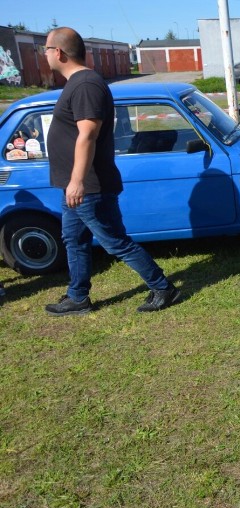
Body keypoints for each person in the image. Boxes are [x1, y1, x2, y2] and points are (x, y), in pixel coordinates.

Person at [42, 27, 180, 316]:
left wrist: (77, 181)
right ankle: (78, 297)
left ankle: (163, 287)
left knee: (114, 241)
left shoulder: (85, 85)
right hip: (75, 186)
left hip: (89, 186)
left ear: (59, 52)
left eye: (45, 49)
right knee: (74, 239)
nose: (43, 55)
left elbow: (88, 134)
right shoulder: (78, 83)